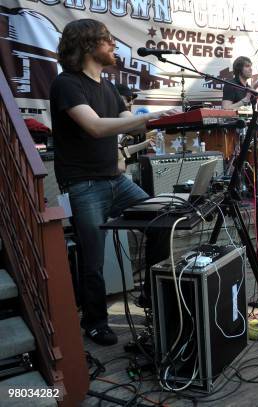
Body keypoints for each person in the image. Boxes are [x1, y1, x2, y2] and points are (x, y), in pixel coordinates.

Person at [50, 19, 178, 346]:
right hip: (84, 185)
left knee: (162, 219)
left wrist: (164, 116)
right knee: (93, 259)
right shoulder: (67, 84)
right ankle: (94, 321)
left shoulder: (107, 87)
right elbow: (94, 126)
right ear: (89, 44)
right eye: (108, 41)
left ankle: (150, 293)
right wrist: (147, 118)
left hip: (116, 181)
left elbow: (126, 124)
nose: (114, 47)